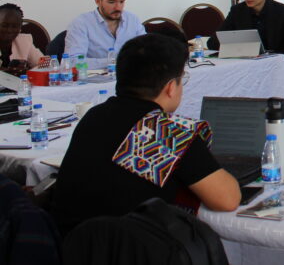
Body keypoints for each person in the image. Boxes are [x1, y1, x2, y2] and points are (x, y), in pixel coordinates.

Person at [51, 33, 240, 234]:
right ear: (170, 87)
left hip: (70, 242)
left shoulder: (94, 115)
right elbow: (227, 199)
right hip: (129, 246)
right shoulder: (165, 132)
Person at [64, 0, 146, 61]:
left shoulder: (133, 20)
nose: (118, 8)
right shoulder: (80, 24)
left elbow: (147, 51)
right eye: (111, 2)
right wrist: (114, 62)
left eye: (121, 2)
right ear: (98, 1)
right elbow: (73, 61)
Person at [0, 4, 43, 72]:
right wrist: (7, 72)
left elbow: (45, 64)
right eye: (4, 25)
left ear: (20, 28)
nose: (9, 30)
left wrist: (28, 71)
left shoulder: (24, 41)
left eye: (14, 26)